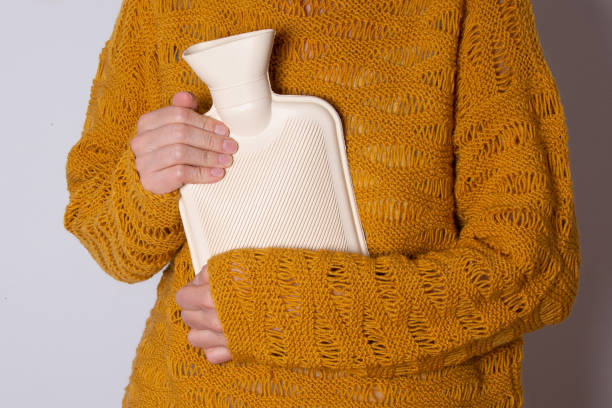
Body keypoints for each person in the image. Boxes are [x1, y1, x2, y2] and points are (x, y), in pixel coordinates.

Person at [64, 0, 581, 406]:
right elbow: (106, 238)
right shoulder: (162, 7)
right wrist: (146, 182)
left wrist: (290, 311)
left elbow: (537, 268)